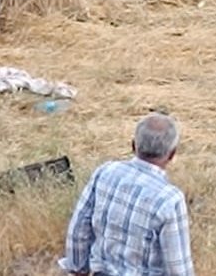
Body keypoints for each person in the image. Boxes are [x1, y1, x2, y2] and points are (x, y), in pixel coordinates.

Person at [59, 113, 194, 276]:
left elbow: (79, 228)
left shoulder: (105, 172)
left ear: (133, 145)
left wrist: (77, 269)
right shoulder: (170, 199)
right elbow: (178, 269)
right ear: (172, 154)